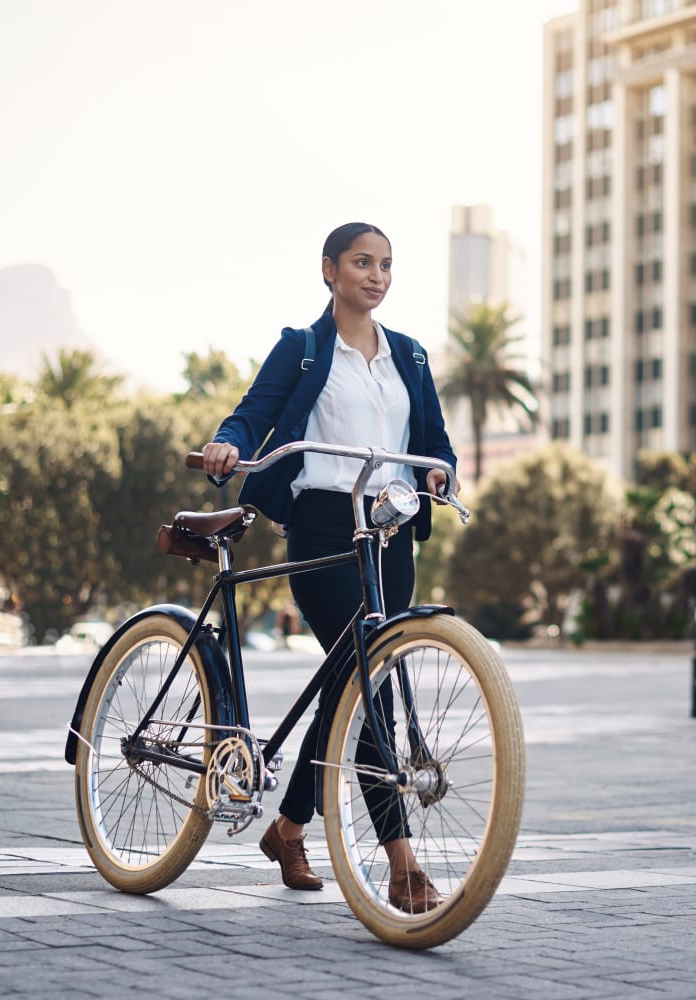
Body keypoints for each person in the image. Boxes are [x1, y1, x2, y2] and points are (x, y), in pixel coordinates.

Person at [201, 222, 459, 913]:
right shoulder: (306, 347)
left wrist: (441, 475)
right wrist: (228, 445)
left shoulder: (410, 355)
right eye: (361, 262)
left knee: (357, 682)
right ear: (330, 270)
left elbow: (434, 441)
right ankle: (403, 868)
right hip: (322, 527)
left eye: (385, 265)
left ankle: (287, 829)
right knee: (369, 692)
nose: (376, 275)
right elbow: (252, 415)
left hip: (391, 534)